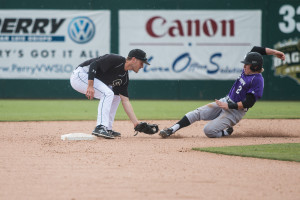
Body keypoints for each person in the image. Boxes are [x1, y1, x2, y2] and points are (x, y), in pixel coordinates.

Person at [159, 46, 286, 138]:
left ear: (255, 67)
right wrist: (274, 52)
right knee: (196, 113)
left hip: (235, 112)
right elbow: (256, 50)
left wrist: (229, 106)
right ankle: (171, 129)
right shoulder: (247, 70)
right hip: (226, 100)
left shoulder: (258, 80)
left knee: (208, 130)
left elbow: (249, 102)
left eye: (247, 64)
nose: (244, 66)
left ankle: (225, 132)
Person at [70, 49, 150, 139]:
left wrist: (136, 123)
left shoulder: (124, 78)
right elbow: (93, 65)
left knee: (116, 97)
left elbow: (125, 101)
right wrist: (90, 85)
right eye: (141, 62)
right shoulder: (116, 60)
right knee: (107, 93)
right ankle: (100, 127)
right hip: (80, 75)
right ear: (134, 59)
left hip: (88, 79)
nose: (142, 66)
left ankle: (107, 128)